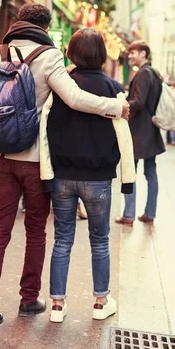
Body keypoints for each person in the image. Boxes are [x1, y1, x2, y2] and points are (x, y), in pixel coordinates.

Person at [0, 3, 129, 325]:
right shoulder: (49, 56)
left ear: (19, 22)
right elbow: (75, 99)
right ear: (45, 28)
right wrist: (115, 107)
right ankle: (29, 299)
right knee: (35, 231)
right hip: (32, 161)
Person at [43, 28, 135, 322]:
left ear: (70, 52)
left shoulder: (61, 86)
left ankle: (57, 306)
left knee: (62, 240)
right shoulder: (113, 89)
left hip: (63, 176)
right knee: (100, 240)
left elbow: (47, 128)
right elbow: (122, 135)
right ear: (101, 54)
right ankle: (100, 301)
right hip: (98, 178)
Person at [115, 41, 165, 226]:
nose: (130, 56)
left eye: (133, 52)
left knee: (130, 172)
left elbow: (139, 101)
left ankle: (128, 215)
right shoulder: (154, 72)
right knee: (150, 172)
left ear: (143, 54)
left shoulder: (143, 73)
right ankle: (149, 212)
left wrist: (123, 104)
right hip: (150, 129)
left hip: (138, 131)